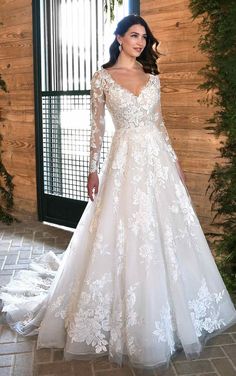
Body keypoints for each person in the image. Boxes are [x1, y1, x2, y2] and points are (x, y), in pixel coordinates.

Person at [1, 14, 236, 373]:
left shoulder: (153, 79)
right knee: (122, 233)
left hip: (157, 162)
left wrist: (175, 163)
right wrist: (92, 169)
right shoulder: (103, 78)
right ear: (119, 37)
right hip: (123, 164)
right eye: (134, 35)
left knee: (165, 234)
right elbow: (96, 129)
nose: (140, 42)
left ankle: (173, 309)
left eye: (144, 36)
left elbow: (160, 125)